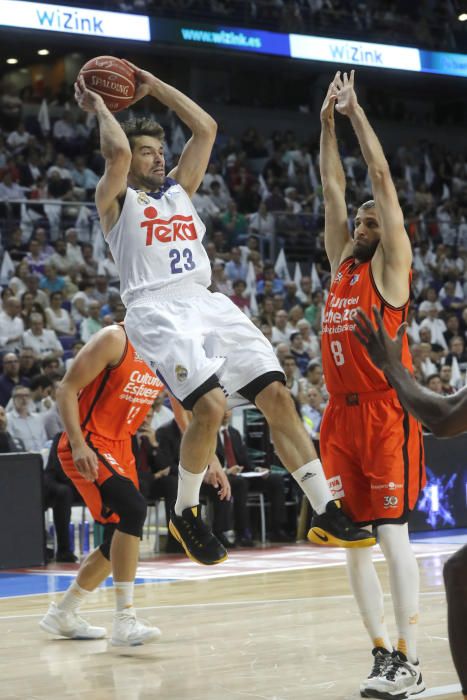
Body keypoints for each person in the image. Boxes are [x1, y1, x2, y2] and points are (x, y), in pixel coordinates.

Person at [74, 62, 374, 569]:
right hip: (157, 308)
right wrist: (102, 106)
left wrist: (154, 86)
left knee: (277, 394)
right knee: (210, 407)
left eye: (158, 150)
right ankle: (185, 511)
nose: (156, 156)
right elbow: (117, 151)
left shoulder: (178, 191)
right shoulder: (115, 200)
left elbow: (206, 128)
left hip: (206, 300)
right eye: (147, 151)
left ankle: (326, 509)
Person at [318, 70, 425, 699]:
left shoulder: (391, 270)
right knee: (353, 539)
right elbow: (333, 186)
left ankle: (410, 656)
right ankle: (382, 654)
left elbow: (378, 181)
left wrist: (356, 115)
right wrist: (324, 124)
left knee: (390, 534)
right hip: (338, 418)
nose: (362, 220)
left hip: (387, 413)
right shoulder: (341, 265)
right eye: (358, 219)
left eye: (372, 219)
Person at [353, 306, 467, 700]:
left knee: (458, 571)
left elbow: (446, 416)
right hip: (350, 412)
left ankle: (412, 665)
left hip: (383, 405)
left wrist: (391, 366)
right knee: (458, 571)